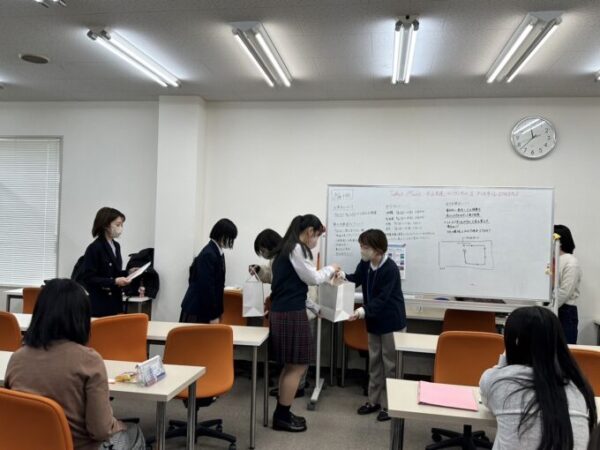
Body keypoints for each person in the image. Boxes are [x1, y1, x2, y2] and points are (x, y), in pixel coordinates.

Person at [5, 279, 145, 450]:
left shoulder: (17, 358)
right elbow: (100, 430)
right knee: (134, 432)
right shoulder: (89, 361)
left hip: (27, 444)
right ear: (81, 317)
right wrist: (119, 425)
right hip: (76, 446)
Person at [480, 306, 596, 450]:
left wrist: (506, 357)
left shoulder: (499, 381)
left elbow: (487, 400)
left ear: (513, 342)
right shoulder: (579, 388)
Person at [269, 214, 339, 432]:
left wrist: (315, 308)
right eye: (317, 235)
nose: (316, 241)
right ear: (309, 231)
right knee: (298, 366)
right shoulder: (297, 249)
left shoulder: (286, 249)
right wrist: (332, 268)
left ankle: (282, 412)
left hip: (284, 311)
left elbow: (293, 289)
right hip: (290, 314)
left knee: (290, 366)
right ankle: (282, 416)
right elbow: (313, 278)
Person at [339, 229, 407, 422]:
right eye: (361, 245)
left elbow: (383, 299)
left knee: (391, 365)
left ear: (378, 249)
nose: (362, 249)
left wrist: (362, 311)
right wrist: (343, 275)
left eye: (365, 246)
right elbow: (356, 279)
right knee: (374, 362)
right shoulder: (366, 263)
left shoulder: (390, 269)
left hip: (391, 322)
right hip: (374, 321)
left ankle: (389, 405)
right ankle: (373, 401)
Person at [250, 228, 315, 398]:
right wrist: (259, 270)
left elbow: (299, 280)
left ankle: (297, 387)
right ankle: (290, 388)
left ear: (270, 245)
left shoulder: (290, 255)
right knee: (293, 360)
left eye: (263, 250)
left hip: (299, 308)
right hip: (291, 309)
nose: (263, 254)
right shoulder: (278, 258)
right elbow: (272, 276)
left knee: (298, 359)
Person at [180, 218, 238, 324]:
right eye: (230, 238)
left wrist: (218, 312)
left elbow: (217, 286)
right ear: (222, 235)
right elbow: (206, 287)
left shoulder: (217, 252)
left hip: (204, 309)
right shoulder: (209, 254)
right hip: (197, 309)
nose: (230, 242)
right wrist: (213, 315)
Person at [81, 207, 131, 317]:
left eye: (122, 225)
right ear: (106, 225)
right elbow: (88, 278)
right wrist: (114, 281)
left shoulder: (116, 246)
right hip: (100, 304)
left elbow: (114, 272)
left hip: (115, 301)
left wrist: (129, 272)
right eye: (117, 225)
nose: (121, 228)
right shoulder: (94, 248)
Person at [554, 224, 582, 344]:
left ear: (559, 242)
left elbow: (565, 292)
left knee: (565, 349)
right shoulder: (552, 260)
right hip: (553, 309)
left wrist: (549, 309)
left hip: (565, 312)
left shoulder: (571, 262)